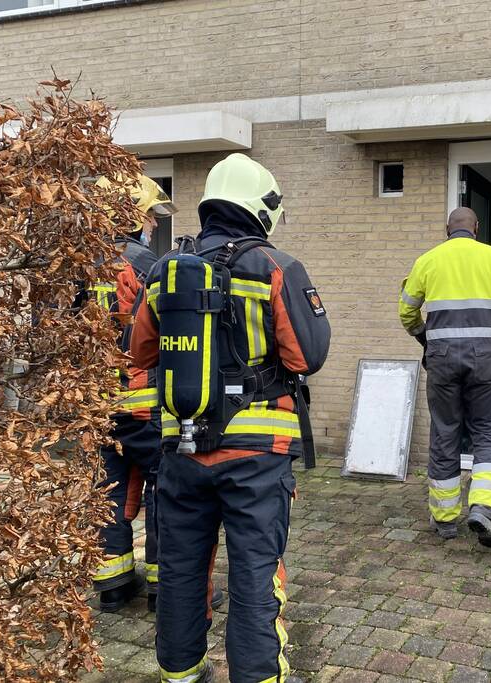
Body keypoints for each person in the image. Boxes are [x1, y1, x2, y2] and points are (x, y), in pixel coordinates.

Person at [131, 153, 329, 683]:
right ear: (262, 207)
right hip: (257, 458)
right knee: (254, 575)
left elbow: (141, 352)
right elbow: (306, 358)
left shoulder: (163, 271)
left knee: (179, 571)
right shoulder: (276, 268)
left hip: (180, 449)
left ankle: (182, 673)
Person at [399, 207, 491, 548]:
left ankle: (444, 519)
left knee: (445, 431)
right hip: (485, 357)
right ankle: (483, 508)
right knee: (489, 430)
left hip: (440, 358)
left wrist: (425, 336)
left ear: (447, 230)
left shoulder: (428, 260)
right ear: (476, 228)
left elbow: (406, 310)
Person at [89, 174, 176, 612]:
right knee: (165, 486)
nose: (155, 226)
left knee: (108, 488)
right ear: (129, 215)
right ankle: (163, 588)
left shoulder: (78, 267)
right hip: (145, 402)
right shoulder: (149, 266)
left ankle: (113, 585)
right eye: (150, 215)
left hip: (96, 404)